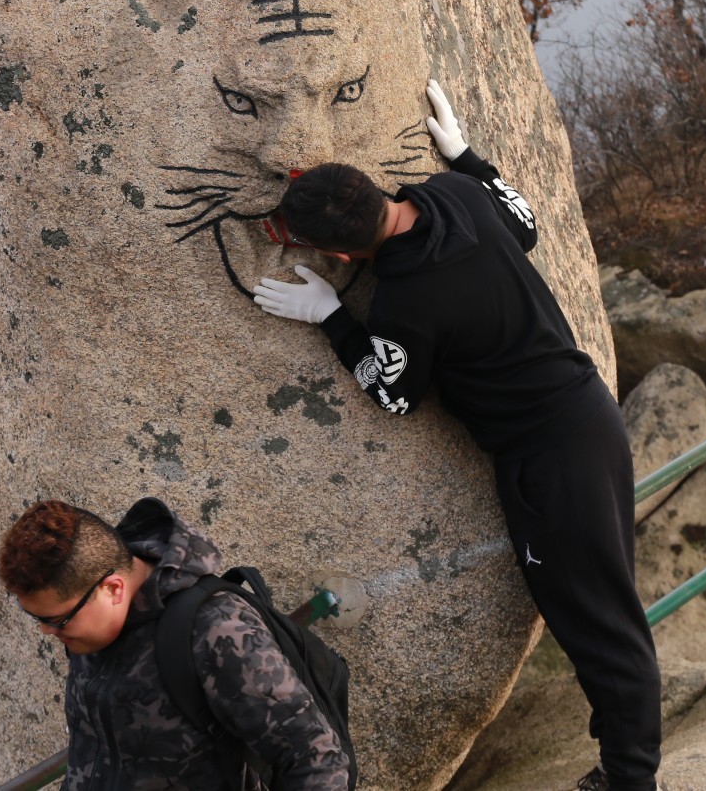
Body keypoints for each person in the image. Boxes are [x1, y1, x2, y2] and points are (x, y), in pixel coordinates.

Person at [253, 81, 661, 791]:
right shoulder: (457, 196)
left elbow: (396, 393)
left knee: (595, 616)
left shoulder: (410, 300)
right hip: (588, 416)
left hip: (547, 456)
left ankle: (632, 779)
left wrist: (332, 319)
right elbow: (525, 222)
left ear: (342, 259)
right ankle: (627, 768)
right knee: (607, 603)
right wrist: (468, 156)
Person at [0, 496, 351, 791]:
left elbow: (316, 759)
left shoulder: (217, 631)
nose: (46, 632)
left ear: (113, 589)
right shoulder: (91, 622)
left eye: (55, 619)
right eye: (37, 618)